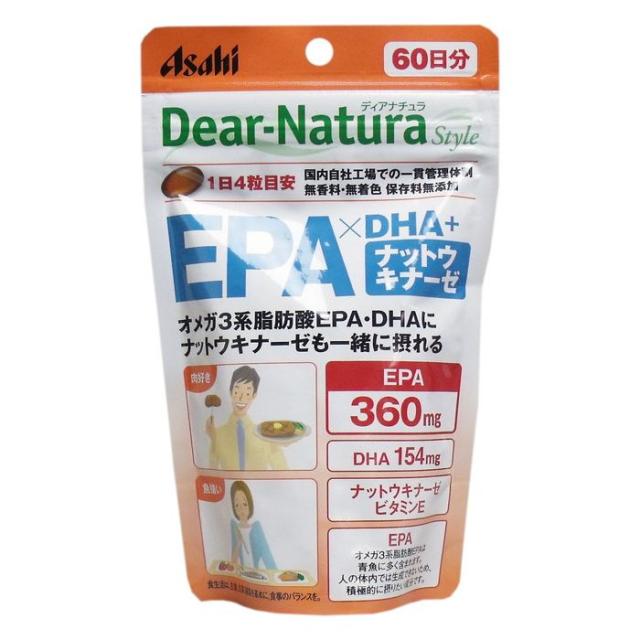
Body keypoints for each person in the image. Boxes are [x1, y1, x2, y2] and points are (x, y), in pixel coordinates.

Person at [205, 365, 288, 470]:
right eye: (236, 392)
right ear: (230, 392)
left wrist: (275, 444)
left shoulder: (266, 435)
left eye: (247, 393)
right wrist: (214, 440)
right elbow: (212, 470)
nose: (241, 398)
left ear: (254, 395)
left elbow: (283, 470)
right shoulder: (218, 434)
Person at [229, 480, 276, 569]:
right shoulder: (235, 527)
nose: (241, 509)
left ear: (250, 504)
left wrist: (275, 573)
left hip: (256, 572)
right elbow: (232, 562)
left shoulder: (256, 528)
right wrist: (239, 542)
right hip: (242, 573)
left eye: (244, 504)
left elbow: (267, 555)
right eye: (237, 505)